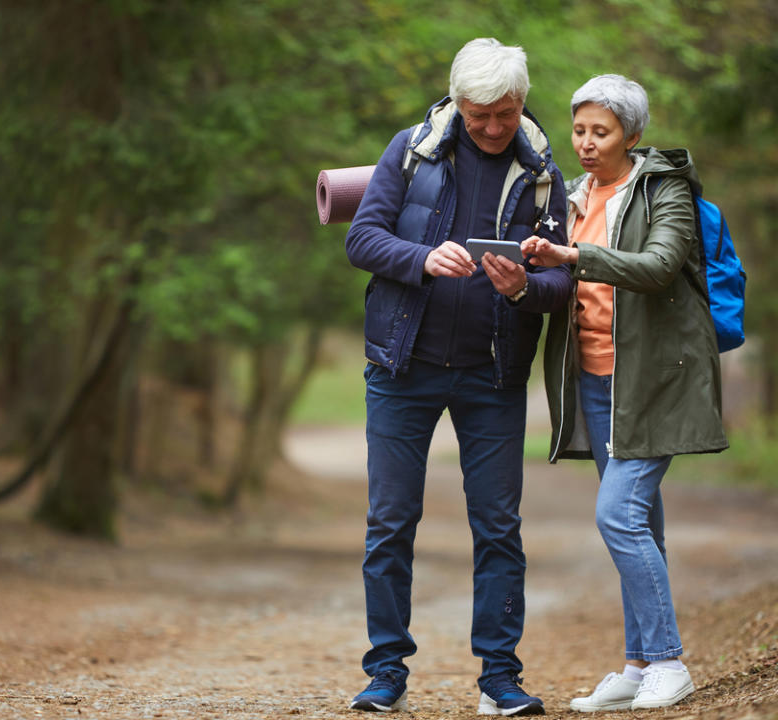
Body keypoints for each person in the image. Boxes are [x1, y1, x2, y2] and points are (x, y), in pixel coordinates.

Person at [344, 38, 572, 715]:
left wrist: (523, 289)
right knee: (390, 522)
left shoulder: (542, 171)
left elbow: (564, 277)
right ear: (458, 103)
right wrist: (420, 258)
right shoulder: (411, 150)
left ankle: (500, 678)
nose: (495, 128)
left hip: (492, 374)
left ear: (521, 103)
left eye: (506, 113)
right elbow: (363, 237)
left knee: (499, 528)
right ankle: (386, 673)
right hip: (401, 367)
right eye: (481, 116)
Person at [521, 74, 729, 712]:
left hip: (656, 376)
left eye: (600, 132)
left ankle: (669, 660)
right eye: (578, 129)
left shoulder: (664, 189)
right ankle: (638, 665)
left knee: (617, 515)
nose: (584, 143)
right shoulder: (573, 193)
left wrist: (573, 255)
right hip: (595, 376)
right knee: (640, 520)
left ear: (631, 135)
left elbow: (661, 266)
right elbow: (563, 278)